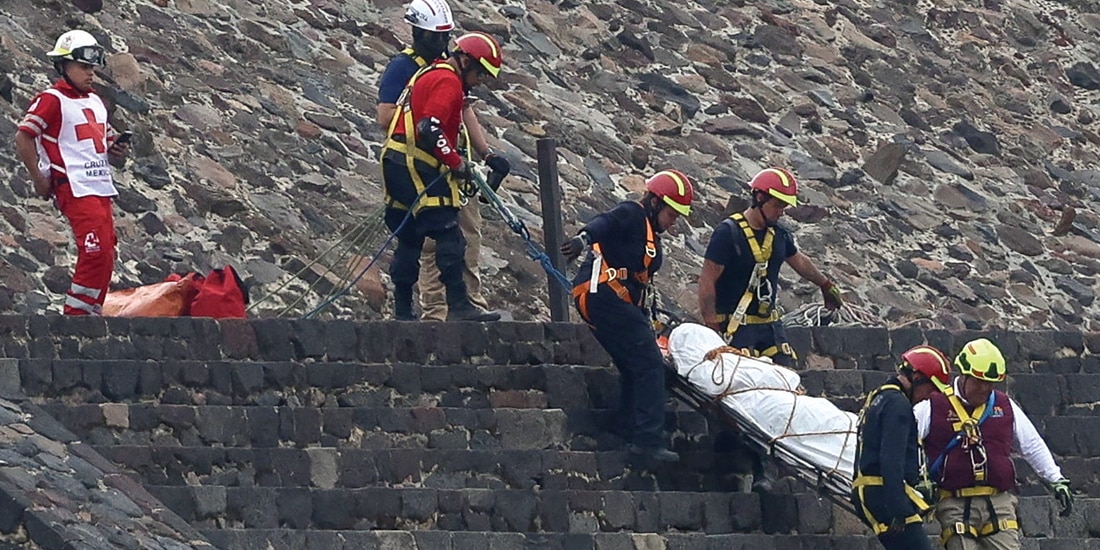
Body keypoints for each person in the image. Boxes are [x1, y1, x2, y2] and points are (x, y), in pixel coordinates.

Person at [376, 0, 509, 322]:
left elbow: (462, 111)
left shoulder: (440, 72)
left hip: (402, 162)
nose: (479, 81)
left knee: (410, 236)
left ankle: (404, 311)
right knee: (449, 234)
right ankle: (455, 308)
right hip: (418, 164)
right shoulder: (441, 77)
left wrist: (486, 154)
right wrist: (454, 162)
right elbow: (428, 126)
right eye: (479, 74)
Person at [562, 170, 694, 462]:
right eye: (673, 214)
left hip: (616, 303)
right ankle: (648, 440)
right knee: (649, 363)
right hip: (604, 298)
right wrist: (583, 239)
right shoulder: (632, 213)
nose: (674, 222)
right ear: (656, 203)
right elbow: (604, 223)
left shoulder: (649, 231)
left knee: (634, 365)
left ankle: (623, 432)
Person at [915, 338, 1074, 549]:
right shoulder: (933, 406)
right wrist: (914, 481)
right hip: (954, 501)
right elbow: (905, 443)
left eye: (990, 383)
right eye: (979, 382)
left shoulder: (1003, 405)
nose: (985, 388)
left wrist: (1056, 480)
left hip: (998, 501)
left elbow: (1031, 444)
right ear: (963, 375)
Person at [14, 29, 129, 315]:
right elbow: (23, 137)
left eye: (93, 67)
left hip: (100, 187)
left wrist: (115, 150)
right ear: (63, 65)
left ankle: (91, 312)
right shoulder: (51, 99)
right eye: (84, 66)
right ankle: (76, 318)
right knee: (95, 252)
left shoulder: (96, 102)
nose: (90, 73)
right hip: (74, 187)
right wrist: (39, 179)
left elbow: (102, 141)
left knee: (106, 254)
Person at [697, 167, 843, 366]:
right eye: (777, 205)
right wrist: (712, 327)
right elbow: (707, 280)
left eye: (784, 206)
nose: (781, 212)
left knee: (787, 379)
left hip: (769, 329)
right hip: (736, 328)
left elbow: (799, 261)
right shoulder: (728, 233)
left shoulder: (778, 234)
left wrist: (825, 285)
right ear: (759, 197)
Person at [853, 345, 951, 550]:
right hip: (884, 495)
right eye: (930, 389)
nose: (928, 397)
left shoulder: (879, 397)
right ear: (917, 377)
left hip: (870, 492)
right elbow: (891, 459)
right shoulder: (898, 405)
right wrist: (899, 508)